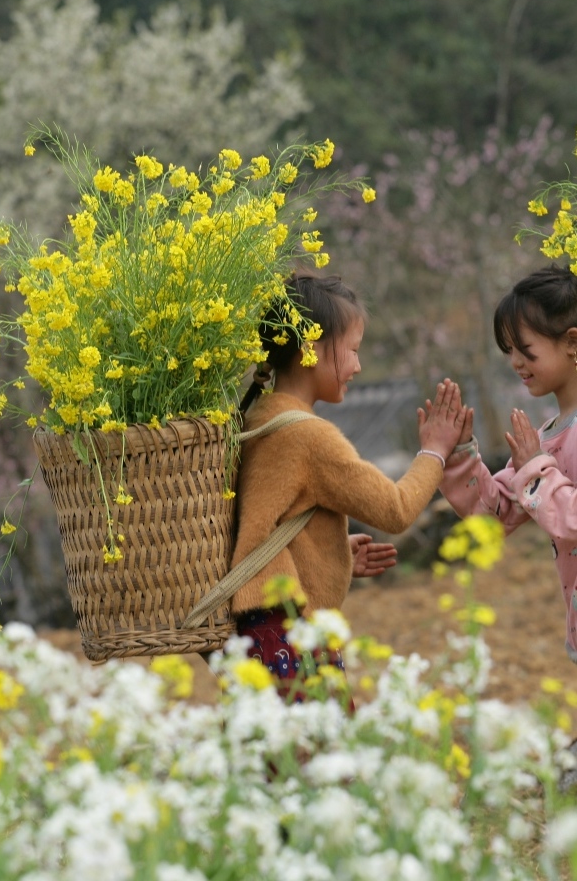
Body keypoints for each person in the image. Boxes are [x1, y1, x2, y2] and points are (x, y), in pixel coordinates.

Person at [230, 272, 468, 700]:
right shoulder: (309, 437)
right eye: (353, 351)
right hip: (292, 635)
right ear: (310, 350)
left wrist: (331, 556)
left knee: (277, 763)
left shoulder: (259, 418)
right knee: (316, 762)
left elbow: (268, 526)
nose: (358, 366)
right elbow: (395, 510)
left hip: (258, 634)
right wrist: (434, 451)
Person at [434, 264, 577, 665]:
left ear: (572, 342)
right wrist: (460, 454)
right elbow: (497, 515)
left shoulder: (540, 453)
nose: (515, 361)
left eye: (525, 349)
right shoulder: (547, 438)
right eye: (508, 350)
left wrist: (536, 468)